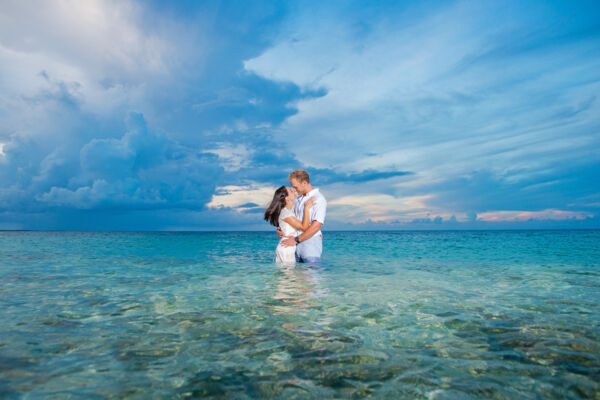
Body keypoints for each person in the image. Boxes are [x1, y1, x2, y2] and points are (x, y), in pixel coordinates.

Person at [279, 169, 327, 263]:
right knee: (297, 277)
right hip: (295, 245)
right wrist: (281, 229)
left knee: (311, 274)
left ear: (304, 183)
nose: (294, 190)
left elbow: (316, 225)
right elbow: (293, 219)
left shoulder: (318, 199)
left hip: (310, 244)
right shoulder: (298, 199)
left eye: (296, 187)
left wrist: (296, 240)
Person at [264, 186, 315, 263]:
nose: (294, 190)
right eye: (291, 191)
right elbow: (304, 227)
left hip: (289, 247)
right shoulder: (285, 213)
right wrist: (306, 209)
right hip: (286, 247)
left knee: (288, 274)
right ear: (286, 198)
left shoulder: (290, 209)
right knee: (288, 275)